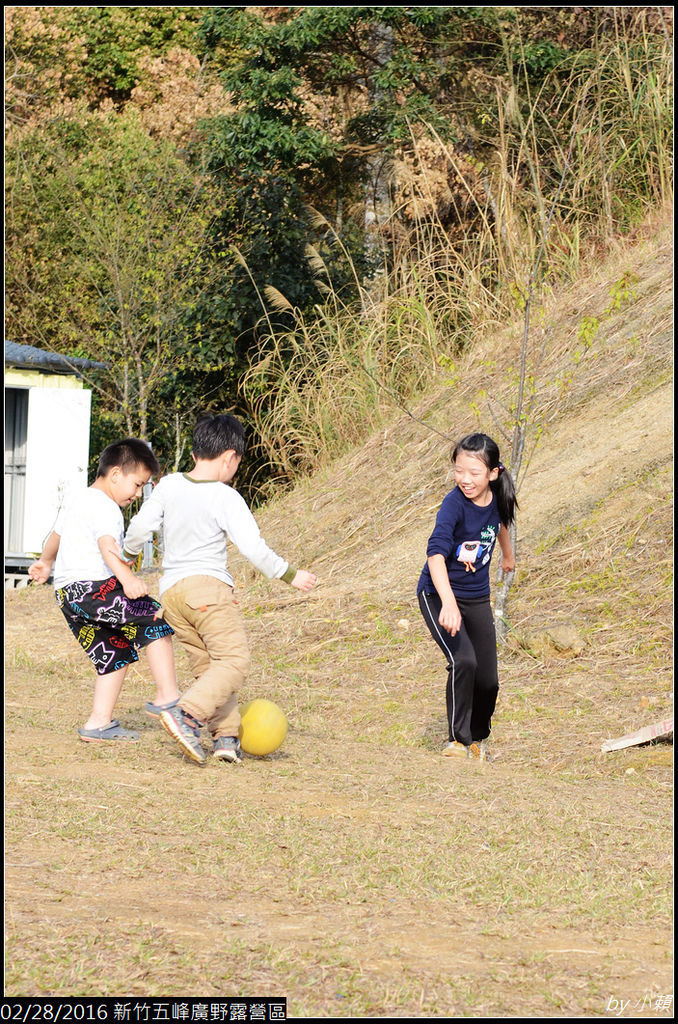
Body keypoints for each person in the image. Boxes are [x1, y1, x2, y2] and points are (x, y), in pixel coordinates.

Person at [122, 412, 317, 766]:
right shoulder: (226, 497)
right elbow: (254, 549)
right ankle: (187, 715)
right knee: (234, 660)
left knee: (210, 667)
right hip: (207, 591)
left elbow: (139, 527)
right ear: (230, 457)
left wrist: (127, 555)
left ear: (196, 452)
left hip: (173, 595)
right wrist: (290, 575)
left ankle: (226, 738)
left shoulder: (168, 486)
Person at [28, 439, 180, 743]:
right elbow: (107, 547)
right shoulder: (107, 507)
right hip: (93, 588)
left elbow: (56, 536)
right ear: (115, 475)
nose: (138, 494)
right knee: (155, 620)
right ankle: (168, 696)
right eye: (137, 485)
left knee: (114, 652)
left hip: (68, 596)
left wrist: (45, 562)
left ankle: (99, 723)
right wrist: (128, 579)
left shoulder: (78, 500)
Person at [417, 433, 517, 760]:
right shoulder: (453, 504)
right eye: (459, 470)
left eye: (474, 473)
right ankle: (457, 742)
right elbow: (435, 555)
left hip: (476, 599)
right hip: (437, 593)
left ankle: (477, 737)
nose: (465, 479)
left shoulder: (497, 497)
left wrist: (507, 556)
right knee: (464, 661)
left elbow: (500, 525)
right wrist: (447, 603)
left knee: (488, 680)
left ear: (492, 474)